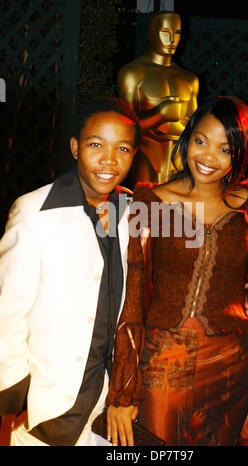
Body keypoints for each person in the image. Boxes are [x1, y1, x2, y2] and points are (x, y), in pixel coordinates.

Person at [106, 95, 248, 446]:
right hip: (165, 358)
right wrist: (123, 389)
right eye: (201, 141)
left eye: (225, 148)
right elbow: (134, 295)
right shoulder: (152, 203)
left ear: (240, 152)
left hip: (233, 360)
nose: (208, 157)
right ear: (188, 138)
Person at [0, 97, 141, 446]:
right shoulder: (35, 211)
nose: (109, 160)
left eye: (122, 148)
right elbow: (7, 311)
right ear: (75, 147)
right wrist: (18, 395)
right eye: (96, 145)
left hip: (109, 408)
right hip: (49, 408)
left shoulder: (133, 211)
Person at [118, 11, 199, 185]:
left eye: (177, 33)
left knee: (177, 210)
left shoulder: (190, 79)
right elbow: (126, 128)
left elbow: (195, 128)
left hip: (179, 159)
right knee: (147, 207)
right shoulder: (133, 74)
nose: (172, 40)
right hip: (146, 156)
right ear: (152, 32)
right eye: (165, 32)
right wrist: (161, 114)